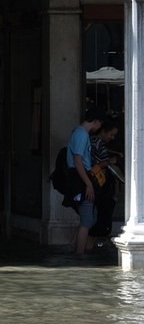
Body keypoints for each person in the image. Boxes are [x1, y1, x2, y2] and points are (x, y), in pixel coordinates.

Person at [68, 107, 106, 254]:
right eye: (100, 123)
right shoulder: (82, 134)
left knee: (87, 217)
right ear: (96, 121)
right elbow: (78, 161)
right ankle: (79, 253)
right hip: (81, 178)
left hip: (79, 177)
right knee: (87, 219)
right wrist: (88, 183)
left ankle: (73, 248)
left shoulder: (78, 132)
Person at [88, 118, 120, 243]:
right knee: (102, 215)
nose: (112, 138)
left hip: (98, 183)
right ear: (104, 131)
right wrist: (109, 161)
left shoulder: (94, 142)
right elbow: (96, 164)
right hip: (99, 183)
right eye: (111, 134)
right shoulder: (97, 143)